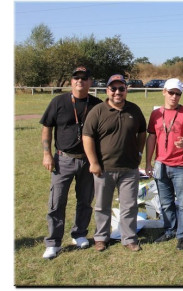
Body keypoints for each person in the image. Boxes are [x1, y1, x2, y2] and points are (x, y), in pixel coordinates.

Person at [40, 66, 102, 259]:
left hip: (88, 161)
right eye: (76, 78)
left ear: (90, 81)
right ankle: (53, 242)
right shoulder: (58, 102)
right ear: (71, 80)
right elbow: (47, 128)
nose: (80, 81)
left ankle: (80, 234)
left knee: (85, 200)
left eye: (84, 78)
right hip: (63, 159)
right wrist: (46, 154)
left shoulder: (97, 104)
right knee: (57, 201)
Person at [82, 74, 146, 252]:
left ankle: (129, 238)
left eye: (121, 89)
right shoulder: (98, 111)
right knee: (103, 205)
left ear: (126, 90)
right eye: (113, 89)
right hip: (104, 168)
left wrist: (139, 152)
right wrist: (93, 162)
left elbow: (142, 132)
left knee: (129, 205)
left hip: (129, 168)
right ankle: (101, 238)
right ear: (107, 90)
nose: (117, 92)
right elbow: (87, 137)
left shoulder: (134, 110)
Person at [144, 78, 183, 251]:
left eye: (178, 94)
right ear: (164, 92)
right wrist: (148, 162)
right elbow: (151, 138)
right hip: (160, 164)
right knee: (166, 202)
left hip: (180, 165)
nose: (174, 97)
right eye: (171, 93)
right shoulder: (156, 114)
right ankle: (170, 229)